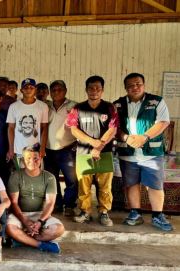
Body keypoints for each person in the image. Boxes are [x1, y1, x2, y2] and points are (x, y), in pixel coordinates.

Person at [114, 73, 172, 231]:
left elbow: (163, 122)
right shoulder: (117, 104)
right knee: (131, 184)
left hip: (151, 153)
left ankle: (157, 215)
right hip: (127, 152)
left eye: (138, 84)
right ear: (126, 88)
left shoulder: (156, 101)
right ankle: (135, 213)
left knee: (155, 185)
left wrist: (144, 137)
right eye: (131, 85)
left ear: (144, 85)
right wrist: (125, 137)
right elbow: (114, 127)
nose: (135, 87)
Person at [66, 75, 118, 226]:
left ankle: (104, 212)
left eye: (98, 88)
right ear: (86, 90)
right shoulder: (77, 108)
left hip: (105, 153)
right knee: (83, 185)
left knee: (105, 186)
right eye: (91, 88)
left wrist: (99, 145)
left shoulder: (110, 107)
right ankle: (85, 211)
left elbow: (113, 129)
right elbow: (74, 130)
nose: (94, 91)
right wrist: (93, 143)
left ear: (102, 90)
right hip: (83, 153)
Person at [6, 144, 64, 254]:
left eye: (35, 158)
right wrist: (25, 220)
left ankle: (22, 240)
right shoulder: (15, 176)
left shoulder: (49, 177)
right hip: (20, 214)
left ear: (41, 158)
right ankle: (40, 244)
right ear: (23, 160)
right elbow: (13, 202)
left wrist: (40, 222)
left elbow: (50, 203)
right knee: (9, 228)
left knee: (59, 229)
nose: (32, 161)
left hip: (40, 215)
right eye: (28, 158)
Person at [44, 80, 78, 216]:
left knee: (72, 180)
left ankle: (69, 205)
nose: (56, 92)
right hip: (48, 149)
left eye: (60, 89)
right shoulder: (46, 106)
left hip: (67, 149)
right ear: (50, 92)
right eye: (53, 90)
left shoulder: (74, 106)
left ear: (65, 91)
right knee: (52, 180)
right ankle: (57, 204)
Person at [7, 78, 49, 169]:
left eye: (31, 87)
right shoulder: (14, 106)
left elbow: (44, 128)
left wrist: (42, 148)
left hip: (36, 150)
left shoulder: (43, 106)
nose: (28, 90)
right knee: (21, 178)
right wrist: (11, 149)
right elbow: (11, 128)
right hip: (19, 150)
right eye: (25, 88)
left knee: (36, 177)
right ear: (21, 90)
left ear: (35, 89)